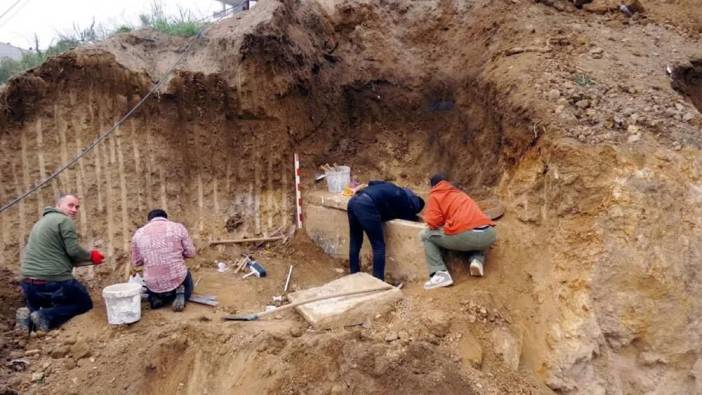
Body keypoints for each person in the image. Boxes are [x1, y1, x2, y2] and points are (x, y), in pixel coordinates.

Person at [18, 193, 105, 332]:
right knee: (84, 304)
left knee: (50, 302)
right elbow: (73, 251)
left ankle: (28, 318)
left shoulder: (40, 223)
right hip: (53, 282)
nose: (74, 210)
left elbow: (59, 254)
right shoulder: (64, 221)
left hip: (29, 284)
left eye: (77, 207)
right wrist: (92, 256)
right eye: (70, 205)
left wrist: (87, 259)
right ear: (58, 205)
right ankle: (45, 316)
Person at [421, 174, 496, 289]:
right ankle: (477, 259)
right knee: (474, 234)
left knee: (426, 235)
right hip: (489, 234)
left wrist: (432, 223)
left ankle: (440, 274)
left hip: (466, 235)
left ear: (433, 186)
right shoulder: (459, 193)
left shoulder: (436, 194)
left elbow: (433, 222)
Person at [347, 180, 425, 281]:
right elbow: (408, 217)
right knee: (378, 245)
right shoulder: (405, 202)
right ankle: (378, 281)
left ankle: (354, 275)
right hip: (366, 205)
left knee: (355, 240)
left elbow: (371, 183)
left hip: (353, 201)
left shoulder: (391, 187)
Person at [131, 209, 196, 312]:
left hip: (153, 283)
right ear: (165, 218)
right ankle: (181, 294)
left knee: (151, 281)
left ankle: (155, 298)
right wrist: (178, 255)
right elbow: (191, 253)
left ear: (149, 220)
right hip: (177, 277)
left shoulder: (138, 234)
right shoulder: (178, 228)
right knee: (187, 276)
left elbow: (136, 262)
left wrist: (151, 256)